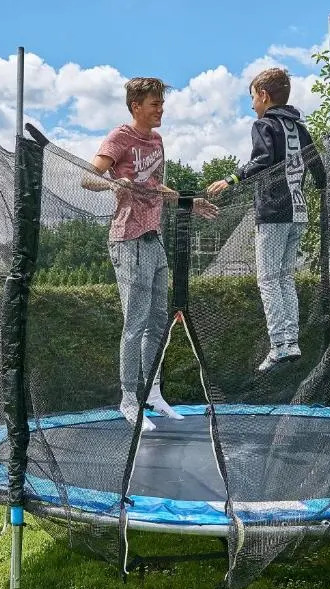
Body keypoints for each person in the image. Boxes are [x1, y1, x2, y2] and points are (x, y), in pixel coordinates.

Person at [84, 77, 215, 431]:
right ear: (136, 106)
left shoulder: (156, 141)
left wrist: (189, 202)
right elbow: (88, 178)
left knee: (158, 323)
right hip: (127, 240)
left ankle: (153, 393)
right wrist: (114, 182)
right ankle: (129, 399)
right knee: (135, 323)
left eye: (162, 104)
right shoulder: (120, 137)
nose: (161, 110)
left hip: (153, 240)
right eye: (155, 104)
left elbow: (156, 187)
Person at [207, 67, 326, 371]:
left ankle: (278, 346)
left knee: (268, 279)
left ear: (263, 95)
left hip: (273, 213)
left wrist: (231, 179)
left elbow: (262, 160)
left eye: (252, 98)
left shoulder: (264, 125)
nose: (251, 105)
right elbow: (317, 166)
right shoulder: (299, 128)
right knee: (285, 278)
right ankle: (292, 341)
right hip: (299, 212)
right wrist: (324, 188)